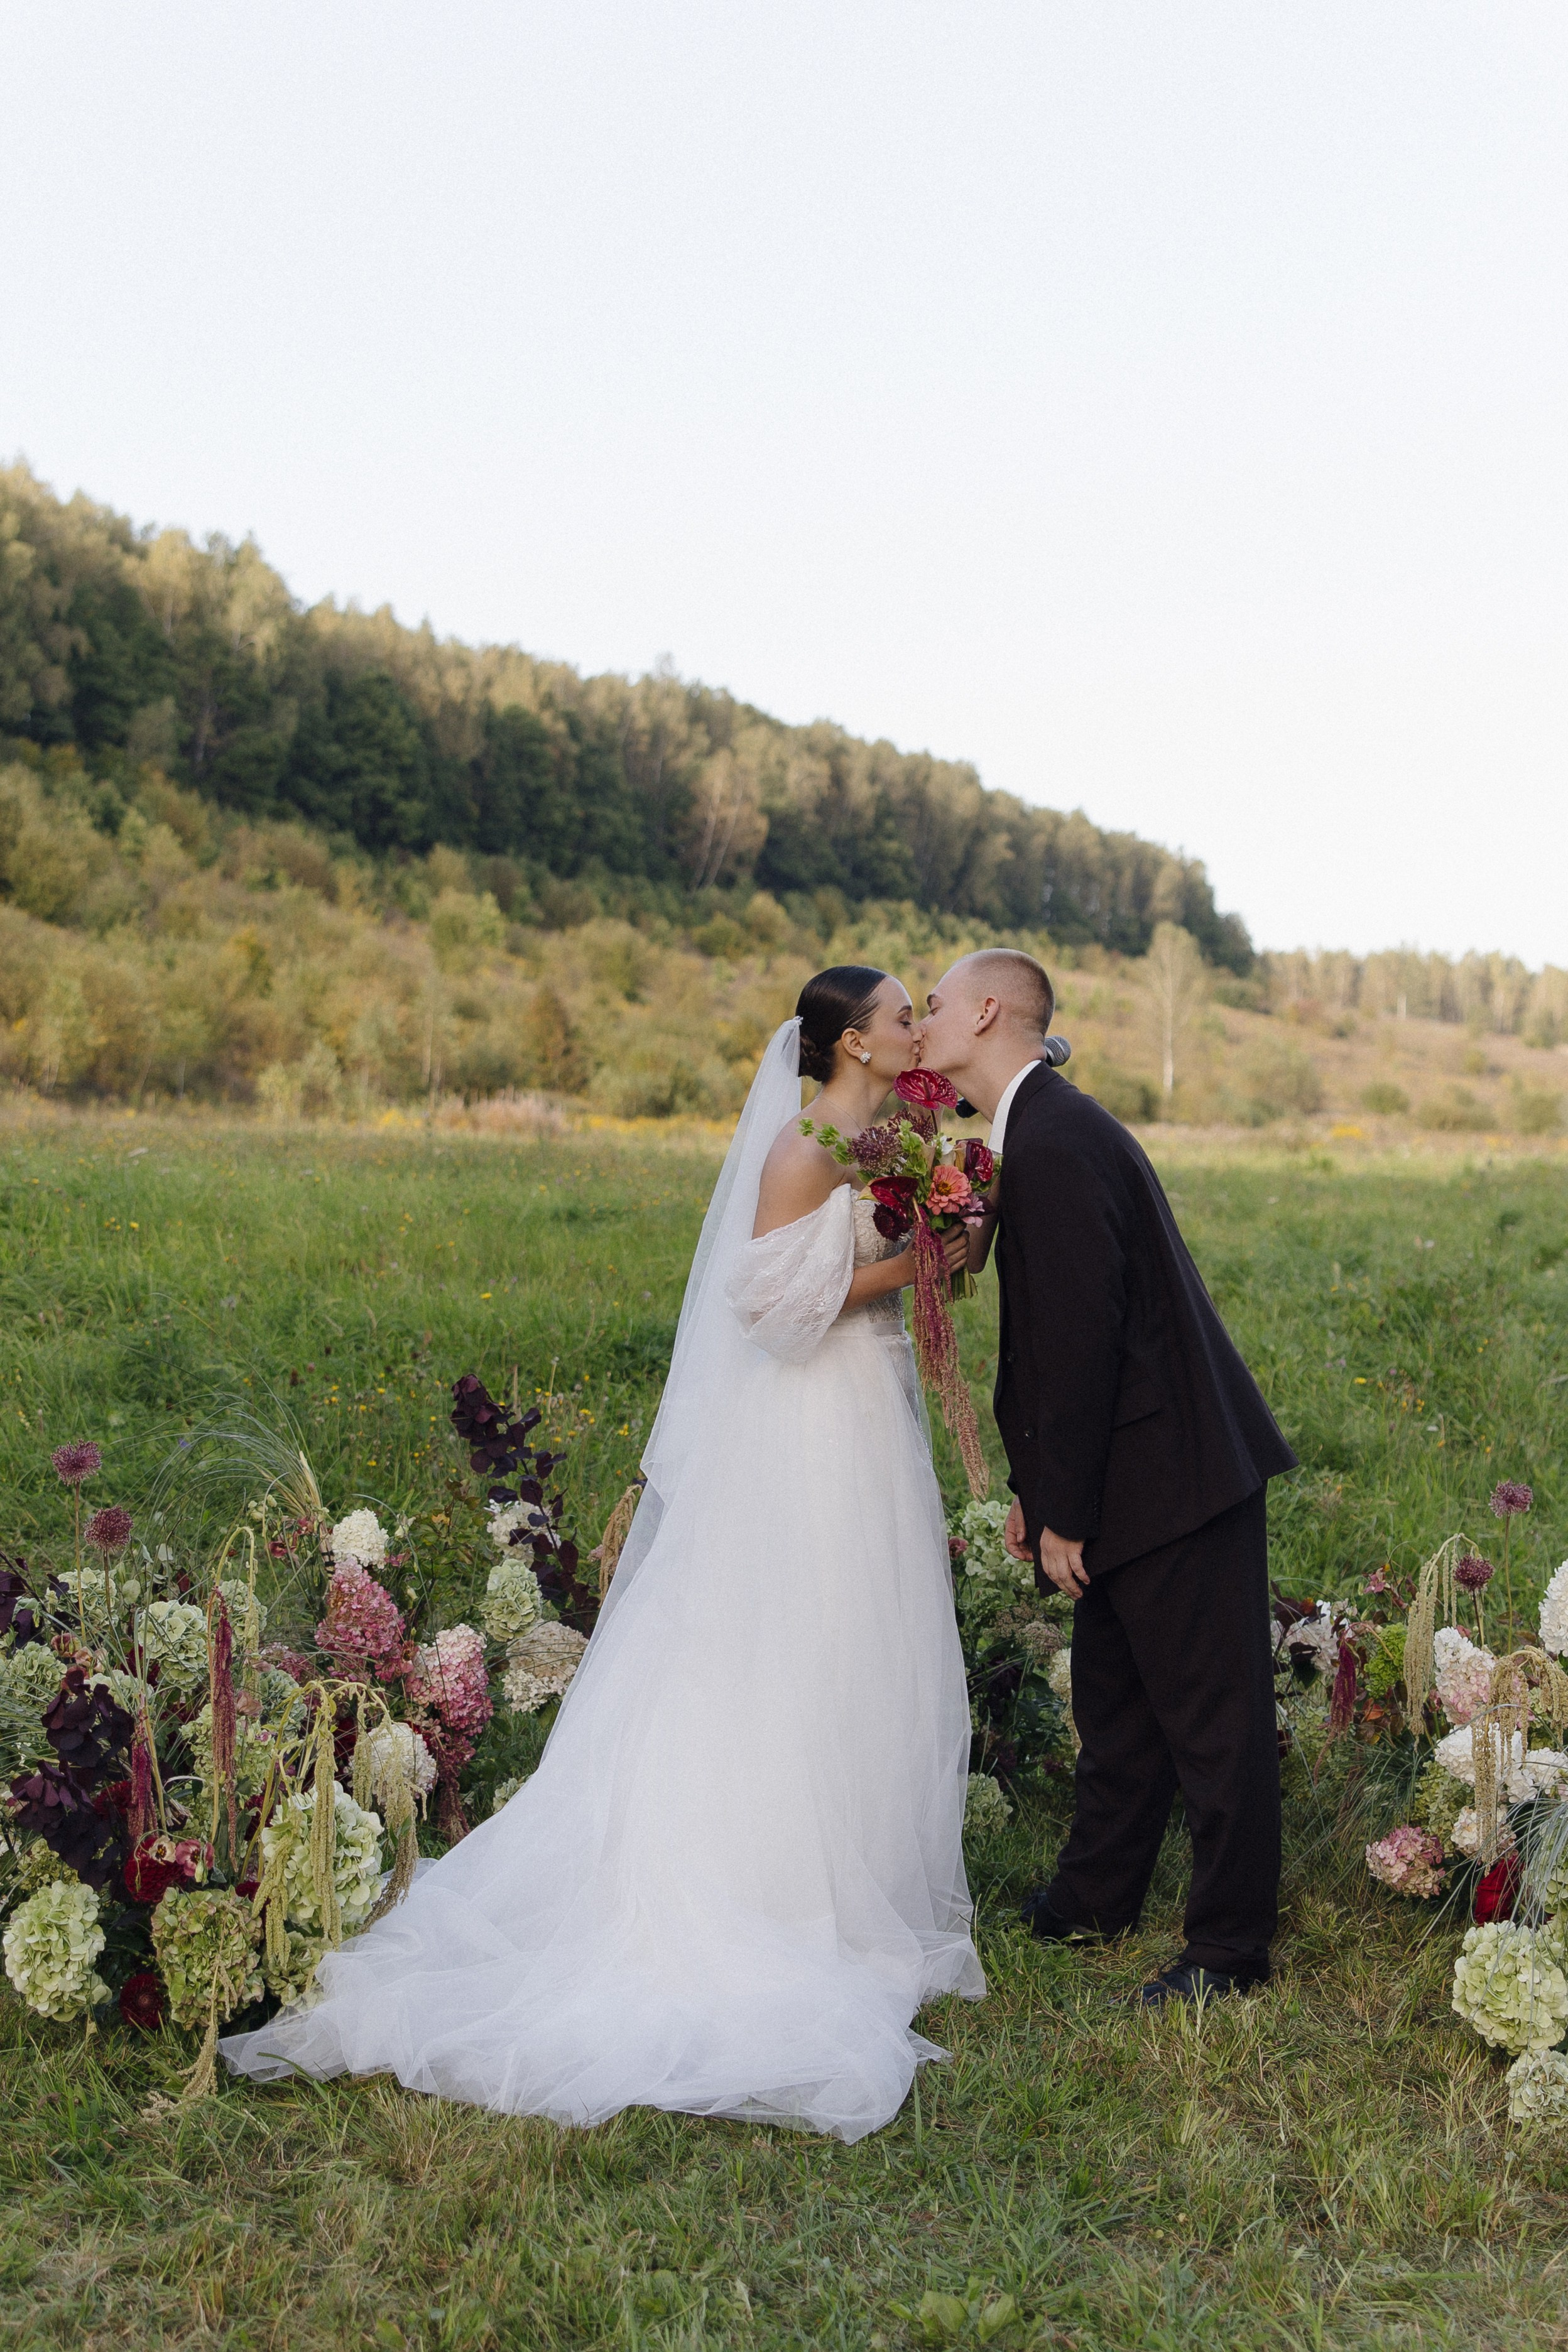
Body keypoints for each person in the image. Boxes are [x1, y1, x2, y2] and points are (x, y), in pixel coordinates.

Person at [222, 967, 983, 2140]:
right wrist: (916, 1265)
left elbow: (869, 1254)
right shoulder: (800, 1150)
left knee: (859, 1638)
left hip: (866, 1417)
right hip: (810, 1427)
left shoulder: (883, 1134)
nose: (912, 1024)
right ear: (850, 1041)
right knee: (797, 1632)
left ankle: (855, 1883)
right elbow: (773, 1312)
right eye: (896, 1013)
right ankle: (761, 1886)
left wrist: (940, 1223)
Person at [918, 949, 1297, 2005]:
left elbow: (1086, 1343)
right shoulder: (1033, 1133)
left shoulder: (1056, 1143)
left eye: (936, 1002)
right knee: (1120, 1709)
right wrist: (1044, 1495)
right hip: (1133, 1469)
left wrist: (1065, 1515)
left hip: (1174, 1473)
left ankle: (1228, 1952)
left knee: (1213, 1724)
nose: (924, 1016)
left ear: (989, 1011)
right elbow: (1053, 1346)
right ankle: (1091, 1902)